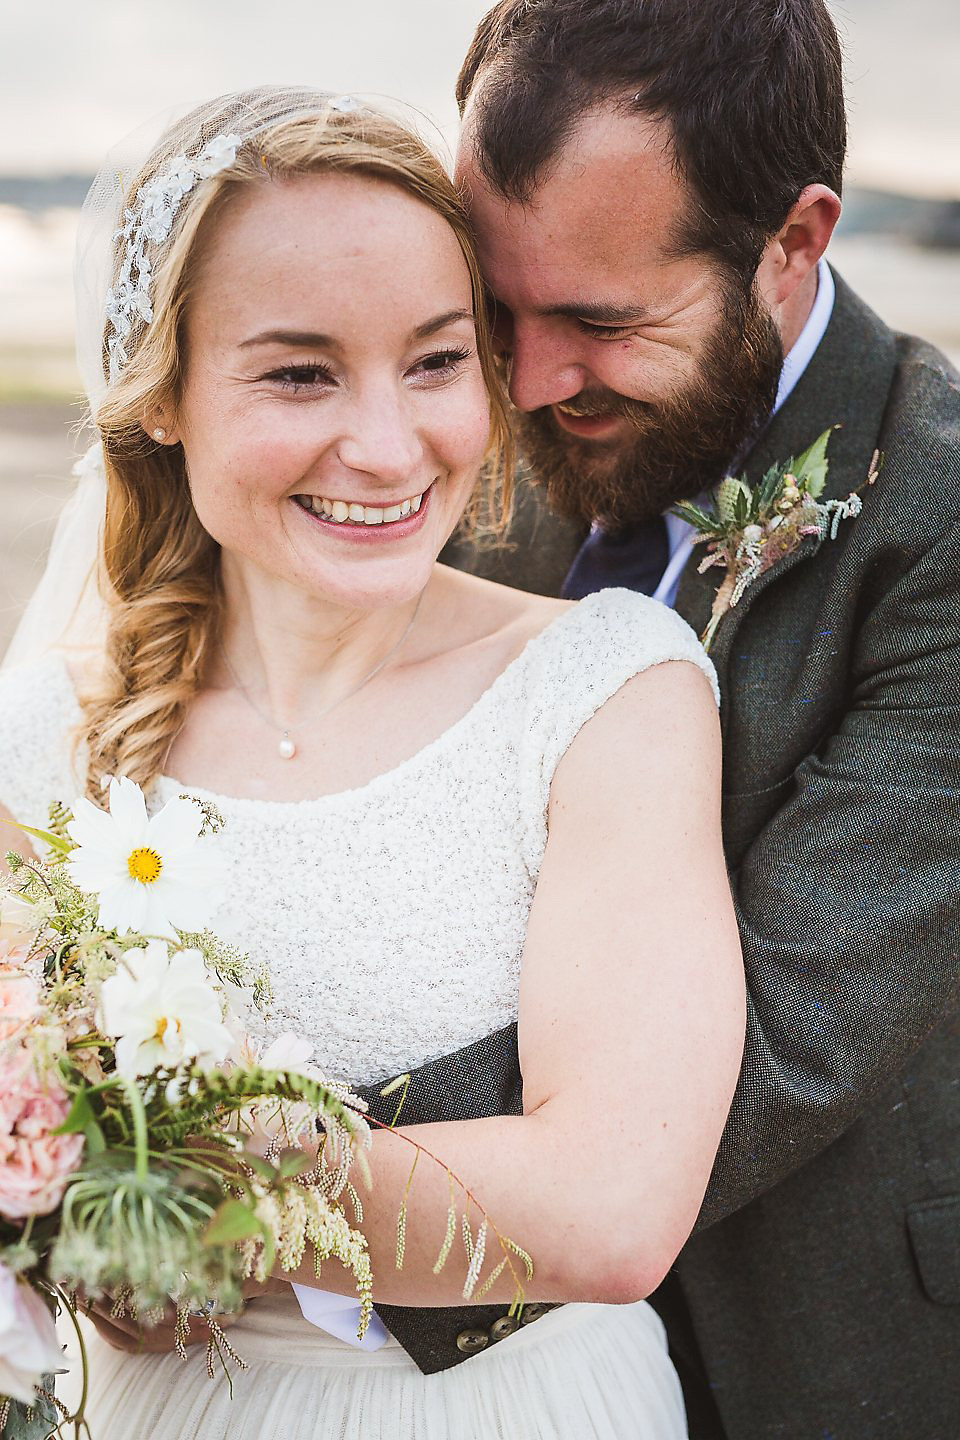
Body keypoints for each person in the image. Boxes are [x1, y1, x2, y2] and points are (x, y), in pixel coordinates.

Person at [0, 88, 745, 1439]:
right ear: (164, 396)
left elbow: (611, 1210)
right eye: (299, 372)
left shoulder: (602, 693)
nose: (390, 446)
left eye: (435, 360)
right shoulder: (47, 743)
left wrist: (161, 1187)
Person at [394, 3, 957, 1437]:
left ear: (795, 241)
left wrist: (258, 1174)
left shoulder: (936, 525)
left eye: (597, 320)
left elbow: (788, 1027)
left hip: (822, 1356)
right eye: (496, 310)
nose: (523, 384)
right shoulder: (463, 435)